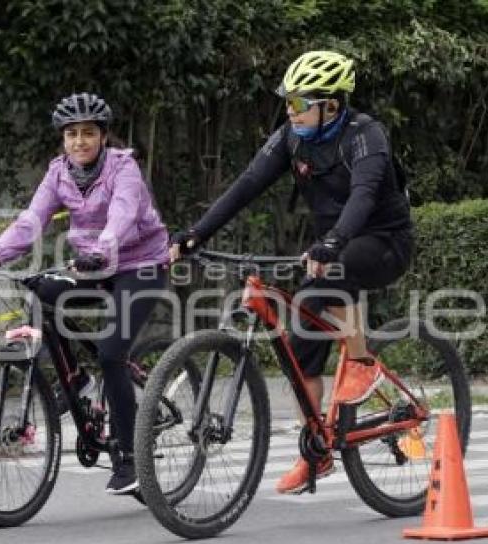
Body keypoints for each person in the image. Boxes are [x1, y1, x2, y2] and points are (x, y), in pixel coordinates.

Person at [169, 51, 415, 494]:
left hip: (384, 243)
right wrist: (195, 235)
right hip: (331, 246)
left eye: (299, 103)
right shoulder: (292, 137)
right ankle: (316, 453)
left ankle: (361, 364)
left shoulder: (366, 136)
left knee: (333, 271)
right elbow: (247, 184)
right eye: (288, 102)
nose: (290, 110)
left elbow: (362, 197)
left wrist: (332, 242)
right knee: (300, 340)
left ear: (332, 105)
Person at [0, 92, 170, 494]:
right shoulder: (59, 173)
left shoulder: (124, 169)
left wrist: (99, 251)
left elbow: (122, 214)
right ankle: (80, 383)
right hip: (94, 267)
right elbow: (33, 218)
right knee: (43, 292)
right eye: (71, 134)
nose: (79, 141)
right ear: (62, 139)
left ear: (103, 137)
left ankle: (129, 458)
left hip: (141, 266)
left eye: (88, 133)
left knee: (111, 351)